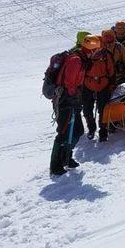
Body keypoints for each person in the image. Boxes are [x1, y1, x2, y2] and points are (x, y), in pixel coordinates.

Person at [49, 42, 86, 176]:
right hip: (65, 101)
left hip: (70, 99)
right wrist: (73, 96)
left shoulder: (79, 58)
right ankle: (55, 165)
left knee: (77, 130)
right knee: (64, 132)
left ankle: (66, 157)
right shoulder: (75, 60)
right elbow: (69, 82)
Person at [81, 35, 115, 143]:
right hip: (88, 84)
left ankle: (103, 131)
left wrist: (111, 85)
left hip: (102, 84)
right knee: (87, 109)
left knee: (103, 110)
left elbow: (111, 71)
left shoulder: (106, 55)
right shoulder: (84, 55)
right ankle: (91, 128)